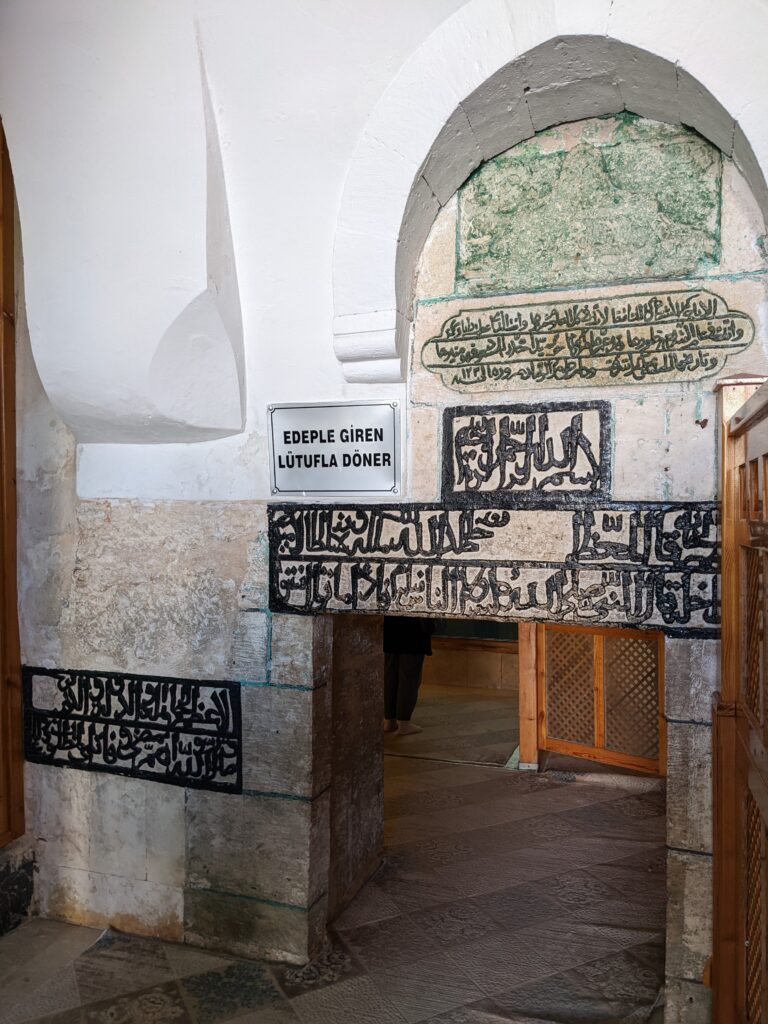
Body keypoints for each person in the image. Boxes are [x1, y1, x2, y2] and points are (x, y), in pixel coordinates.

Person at [383, 615, 435, 736]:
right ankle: (404, 722)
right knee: (409, 678)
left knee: (390, 675)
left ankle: (389, 720)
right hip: (413, 631)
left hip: (391, 626)